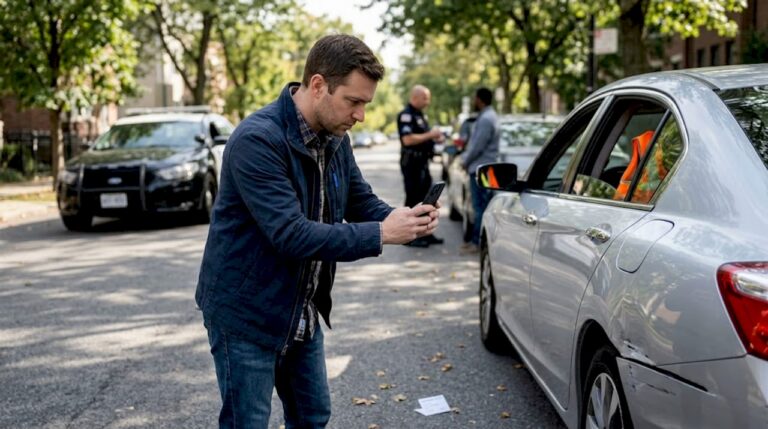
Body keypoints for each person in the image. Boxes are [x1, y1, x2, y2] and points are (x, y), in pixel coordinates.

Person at [195, 35, 440, 429]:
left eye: (366, 103)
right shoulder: (258, 139)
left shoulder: (336, 137)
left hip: (300, 309)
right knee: (248, 422)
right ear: (318, 85)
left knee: (313, 416)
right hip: (246, 314)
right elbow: (291, 234)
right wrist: (381, 233)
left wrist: (403, 217)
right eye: (353, 101)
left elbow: (359, 199)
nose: (361, 115)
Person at [397, 85, 445, 247]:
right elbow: (407, 139)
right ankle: (410, 237)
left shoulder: (420, 115)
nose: (428, 101)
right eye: (425, 98)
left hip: (423, 162)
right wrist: (430, 134)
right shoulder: (406, 115)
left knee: (428, 199)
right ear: (415, 97)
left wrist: (434, 139)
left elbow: (423, 137)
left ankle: (426, 233)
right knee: (414, 199)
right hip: (412, 163)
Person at [461, 87, 500, 253]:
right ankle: (478, 242)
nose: (473, 101)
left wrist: (465, 161)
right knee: (482, 206)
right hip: (485, 168)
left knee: (480, 207)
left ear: (480, 99)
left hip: (482, 170)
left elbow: (477, 146)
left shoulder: (486, 119)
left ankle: (477, 243)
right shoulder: (490, 116)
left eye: (475, 98)